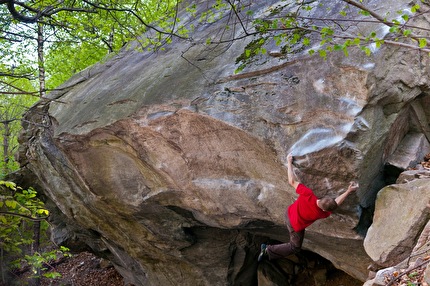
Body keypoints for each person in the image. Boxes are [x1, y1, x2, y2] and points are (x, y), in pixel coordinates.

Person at [258, 153, 359, 262]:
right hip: (295, 226)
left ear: (323, 198)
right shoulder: (320, 213)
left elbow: (291, 181)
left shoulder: (308, 194)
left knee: (294, 241)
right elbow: (337, 203)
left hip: (288, 214)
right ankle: (268, 250)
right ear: (324, 210)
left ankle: (269, 250)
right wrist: (348, 191)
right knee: (295, 247)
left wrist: (289, 162)